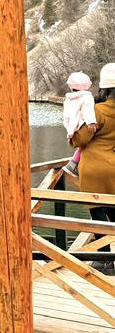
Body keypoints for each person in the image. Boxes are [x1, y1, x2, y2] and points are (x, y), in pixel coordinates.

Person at [70, 63, 115, 225]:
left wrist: (71, 131)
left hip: (94, 170)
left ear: (105, 88)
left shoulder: (97, 111)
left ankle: (102, 242)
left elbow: (79, 140)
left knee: (98, 218)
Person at [62, 71, 98, 177]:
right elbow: (88, 110)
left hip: (72, 126)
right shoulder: (87, 97)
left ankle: (73, 164)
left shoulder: (69, 99)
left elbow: (67, 115)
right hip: (82, 124)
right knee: (89, 143)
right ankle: (74, 164)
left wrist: (70, 130)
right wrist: (91, 122)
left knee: (82, 145)